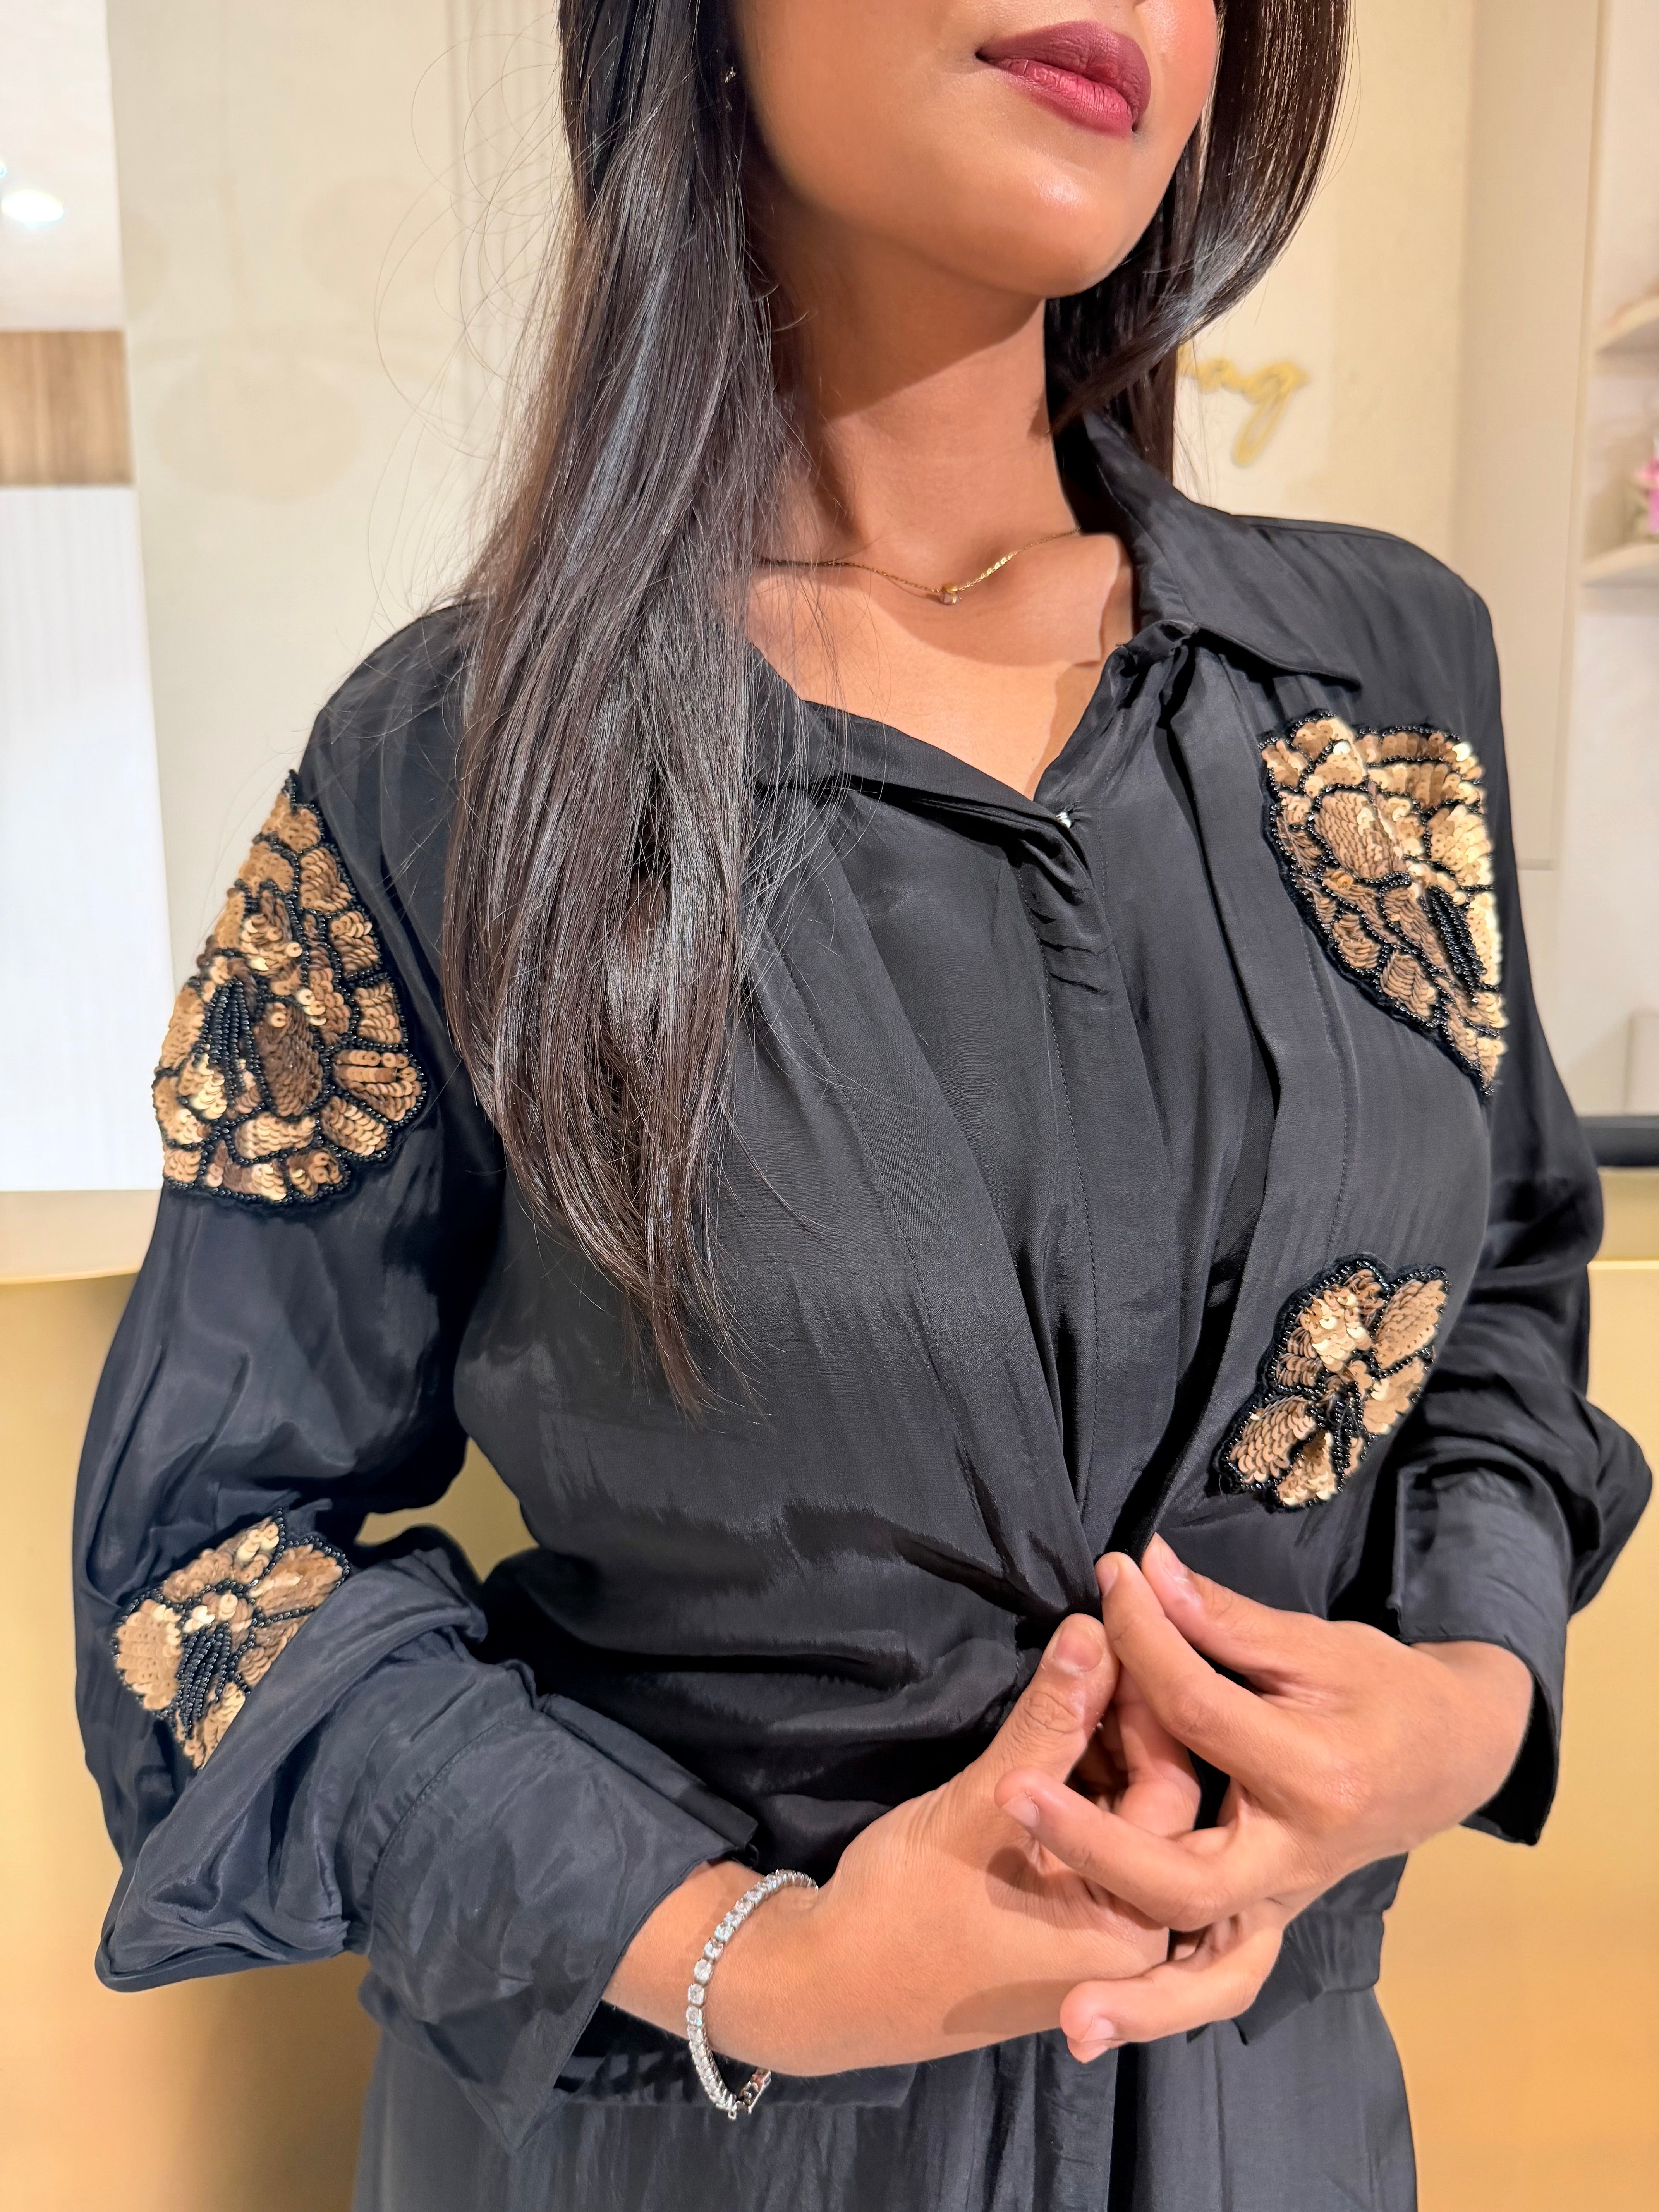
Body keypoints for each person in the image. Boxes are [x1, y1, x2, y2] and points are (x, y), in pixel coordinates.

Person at [74, 4, 1649, 2207]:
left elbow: (1501, 1291)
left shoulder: (1382, 682)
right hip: (709, 2152)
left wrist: (1468, 1695)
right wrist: (770, 1963)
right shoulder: (453, 773)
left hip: (1274, 2129)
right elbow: (211, 1564)